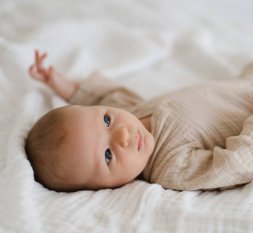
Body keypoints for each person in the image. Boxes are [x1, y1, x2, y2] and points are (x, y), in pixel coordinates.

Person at [25, 50, 253, 192]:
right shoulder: (170, 166)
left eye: (106, 120)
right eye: (108, 155)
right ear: (104, 188)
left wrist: (60, 83)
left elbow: (103, 94)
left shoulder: (129, 110)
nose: (122, 134)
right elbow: (234, 163)